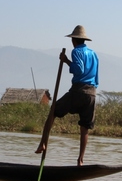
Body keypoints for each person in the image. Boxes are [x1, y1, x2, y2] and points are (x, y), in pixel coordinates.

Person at [35, 25, 99, 166]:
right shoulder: (94, 54)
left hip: (79, 91)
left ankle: (42, 144)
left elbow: (79, 70)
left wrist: (65, 60)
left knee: (53, 112)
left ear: (73, 40)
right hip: (92, 94)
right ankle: (81, 160)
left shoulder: (76, 51)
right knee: (85, 127)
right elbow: (96, 77)